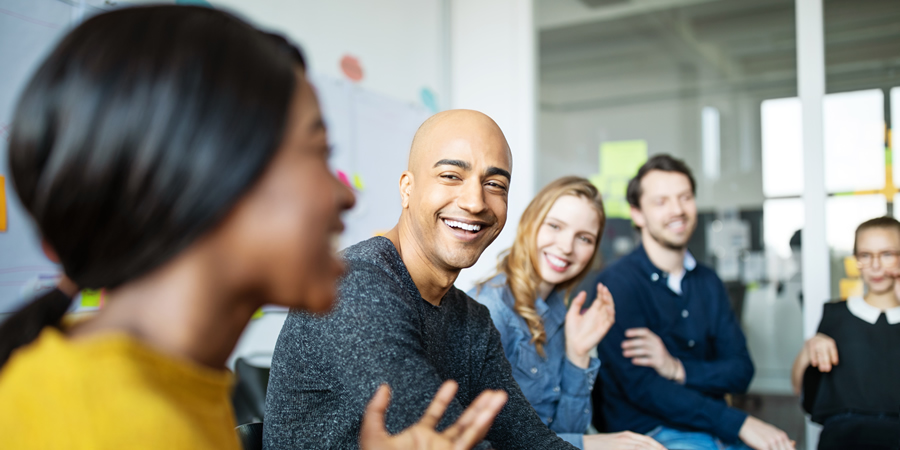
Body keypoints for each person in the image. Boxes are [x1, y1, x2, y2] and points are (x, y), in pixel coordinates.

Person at [0, 6, 506, 449]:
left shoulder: (180, 387)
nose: (346, 194)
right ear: (212, 183)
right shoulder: (110, 425)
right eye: (316, 154)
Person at [264, 110, 576, 450]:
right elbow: (448, 443)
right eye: (451, 175)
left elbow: (530, 442)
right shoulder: (356, 286)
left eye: (494, 184)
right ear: (407, 189)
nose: (474, 202)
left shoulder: (472, 320)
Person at [584, 154, 794, 450]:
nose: (678, 210)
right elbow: (644, 389)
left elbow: (741, 371)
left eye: (685, 198)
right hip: (650, 433)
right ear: (638, 214)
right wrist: (740, 422)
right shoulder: (618, 285)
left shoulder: (708, 282)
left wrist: (677, 369)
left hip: (715, 428)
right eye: (661, 201)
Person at [468, 176, 666, 450]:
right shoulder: (490, 312)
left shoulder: (561, 312)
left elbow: (564, 431)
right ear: (530, 223)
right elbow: (485, 442)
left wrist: (577, 353)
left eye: (584, 238)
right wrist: (592, 444)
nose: (566, 247)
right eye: (555, 226)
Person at [791, 216, 900, 449]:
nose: (876, 266)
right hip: (844, 438)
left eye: (887, 254)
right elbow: (800, 389)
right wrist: (809, 348)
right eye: (865, 255)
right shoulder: (836, 315)